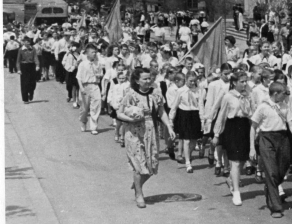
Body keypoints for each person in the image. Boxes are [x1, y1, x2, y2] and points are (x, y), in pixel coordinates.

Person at [117, 67, 176, 208]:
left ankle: (137, 184)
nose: (148, 81)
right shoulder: (130, 94)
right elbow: (119, 113)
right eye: (145, 78)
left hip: (151, 131)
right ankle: (139, 194)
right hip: (134, 133)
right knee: (138, 165)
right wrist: (131, 119)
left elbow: (161, 112)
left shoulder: (156, 93)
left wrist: (169, 126)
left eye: (149, 78)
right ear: (137, 81)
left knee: (151, 165)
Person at [250, 81, 292, 218]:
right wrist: (252, 148)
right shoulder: (263, 107)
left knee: (283, 168)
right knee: (271, 172)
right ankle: (276, 207)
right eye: (284, 94)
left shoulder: (285, 106)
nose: (286, 96)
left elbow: (291, 123)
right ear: (276, 94)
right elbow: (253, 127)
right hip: (266, 138)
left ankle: (270, 186)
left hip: (282, 138)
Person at [212, 72, 256, 206]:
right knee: (235, 162)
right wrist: (216, 134)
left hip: (245, 127)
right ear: (234, 82)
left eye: (246, 81)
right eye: (242, 81)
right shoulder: (228, 96)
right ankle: (236, 192)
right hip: (232, 127)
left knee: (243, 159)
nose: (244, 84)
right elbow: (222, 115)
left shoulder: (249, 96)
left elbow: (253, 113)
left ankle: (231, 179)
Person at [170, 71, 205, 174]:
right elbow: (174, 105)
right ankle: (188, 163)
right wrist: (171, 119)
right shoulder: (180, 91)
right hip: (184, 115)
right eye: (190, 81)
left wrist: (202, 120)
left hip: (195, 115)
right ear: (186, 80)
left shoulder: (199, 91)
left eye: (194, 81)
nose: (193, 83)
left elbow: (201, 105)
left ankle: (188, 155)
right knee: (186, 140)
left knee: (193, 141)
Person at [203, 64, 233, 176]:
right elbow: (210, 101)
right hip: (217, 112)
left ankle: (226, 165)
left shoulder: (233, 83)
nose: (227, 76)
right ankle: (218, 161)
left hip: (229, 112)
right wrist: (208, 118)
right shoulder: (214, 85)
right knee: (218, 139)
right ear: (220, 73)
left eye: (229, 73)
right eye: (225, 74)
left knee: (226, 142)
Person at [77, 44, 105, 134]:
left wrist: (99, 75)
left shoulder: (98, 63)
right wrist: (81, 88)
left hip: (95, 86)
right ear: (87, 53)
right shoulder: (82, 64)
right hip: (85, 86)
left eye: (95, 52)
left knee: (96, 106)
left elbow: (101, 74)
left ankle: (93, 127)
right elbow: (79, 77)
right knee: (84, 108)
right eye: (92, 52)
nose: (94, 54)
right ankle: (83, 121)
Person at [17, 36, 40, 104]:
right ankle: (25, 99)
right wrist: (19, 69)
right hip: (24, 66)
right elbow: (18, 61)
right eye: (26, 42)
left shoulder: (33, 49)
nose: (27, 43)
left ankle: (31, 92)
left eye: (28, 42)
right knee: (24, 83)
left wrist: (37, 65)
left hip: (32, 66)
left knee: (33, 82)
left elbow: (35, 57)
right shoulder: (21, 50)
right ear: (23, 42)